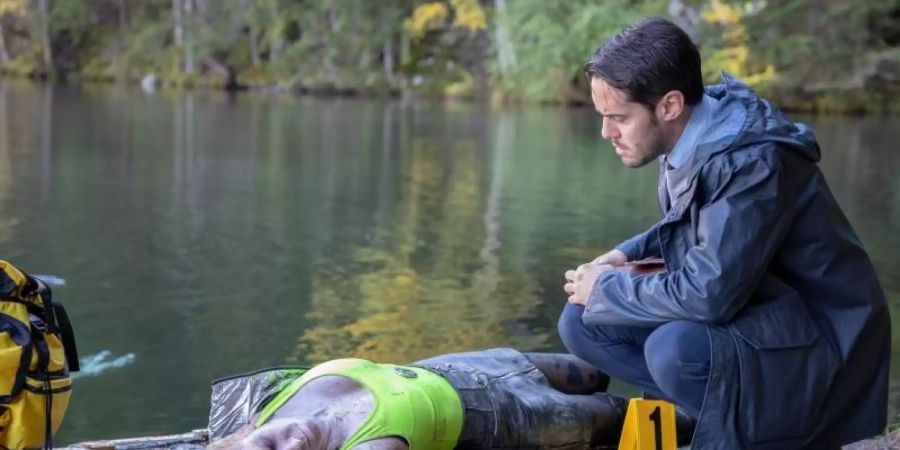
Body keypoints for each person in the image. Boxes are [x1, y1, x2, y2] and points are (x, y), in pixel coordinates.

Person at [557, 17, 890, 450]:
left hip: (826, 350)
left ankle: (765, 427)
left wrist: (609, 288)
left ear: (670, 106)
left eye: (618, 118)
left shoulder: (751, 161)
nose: (606, 132)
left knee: (673, 349)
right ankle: (718, 413)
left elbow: (708, 294)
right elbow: (695, 225)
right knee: (583, 322)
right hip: (764, 315)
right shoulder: (694, 133)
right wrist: (621, 258)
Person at [206, 347, 694, 450]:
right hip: (508, 418)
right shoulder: (371, 448)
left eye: (269, 448)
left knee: (595, 365)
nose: (289, 446)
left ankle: (686, 365)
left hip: (469, 365)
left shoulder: (265, 402)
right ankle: (714, 418)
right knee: (618, 416)